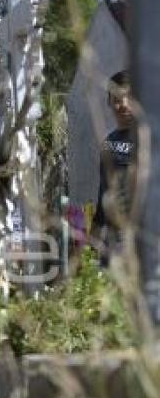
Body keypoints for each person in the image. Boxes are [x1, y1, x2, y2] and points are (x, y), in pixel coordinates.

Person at [91, 70, 136, 260]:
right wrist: (95, 229)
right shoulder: (108, 142)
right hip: (111, 237)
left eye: (129, 98)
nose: (123, 105)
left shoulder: (149, 140)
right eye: (117, 99)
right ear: (109, 102)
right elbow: (104, 190)